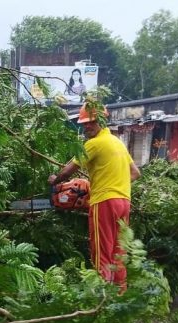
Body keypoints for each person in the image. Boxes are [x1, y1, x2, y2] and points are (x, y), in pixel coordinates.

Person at [48, 103, 140, 292]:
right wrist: (113, 183)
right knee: (118, 251)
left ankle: (101, 297)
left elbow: (68, 171)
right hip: (124, 201)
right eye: (84, 123)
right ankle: (120, 294)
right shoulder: (118, 142)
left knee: (102, 251)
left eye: (91, 122)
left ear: (102, 121)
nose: (87, 126)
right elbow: (135, 173)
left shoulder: (94, 144)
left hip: (105, 202)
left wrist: (54, 180)